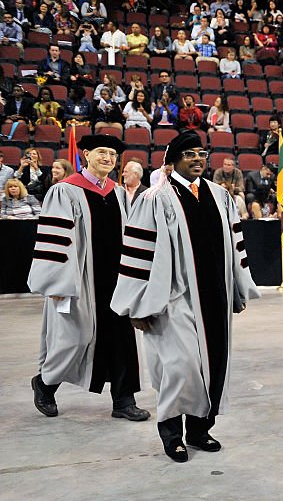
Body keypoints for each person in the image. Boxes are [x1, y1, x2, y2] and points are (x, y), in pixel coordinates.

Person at [110, 131, 259, 462]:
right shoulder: (155, 199)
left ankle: (200, 429)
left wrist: (237, 287)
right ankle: (171, 433)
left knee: (213, 366)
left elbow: (236, 248)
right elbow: (139, 254)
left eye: (201, 154)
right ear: (173, 159)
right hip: (171, 299)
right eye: (189, 154)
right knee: (180, 368)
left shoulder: (220, 196)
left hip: (214, 298)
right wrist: (136, 303)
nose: (196, 159)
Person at [28, 134, 149, 422]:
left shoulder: (119, 192)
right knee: (75, 337)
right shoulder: (65, 191)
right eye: (101, 152)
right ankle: (45, 384)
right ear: (86, 154)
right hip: (80, 279)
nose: (108, 158)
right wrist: (57, 283)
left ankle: (123, 400)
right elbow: (55, 240)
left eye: (112, 154)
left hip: (117, 279)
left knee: (122, 339)